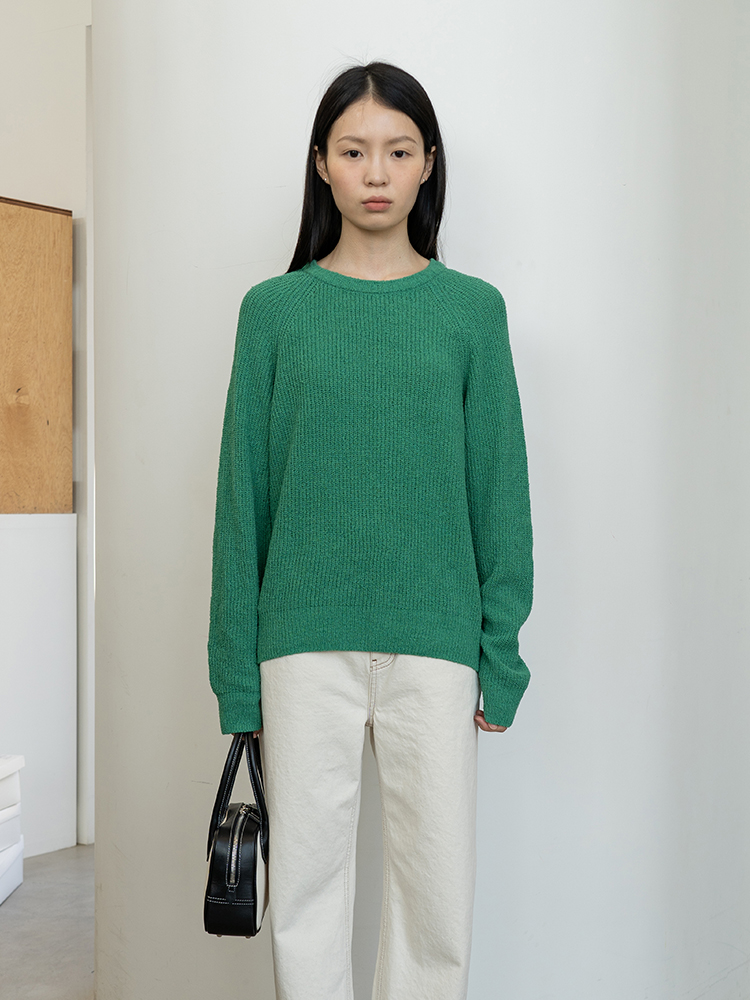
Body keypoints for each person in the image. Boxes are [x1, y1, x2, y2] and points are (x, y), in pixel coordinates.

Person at [207, 60, 533, 1000]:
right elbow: (241, 502)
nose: (377, 173)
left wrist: (500, 653)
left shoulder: (473, 314)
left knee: (436, 905)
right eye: (354, 151)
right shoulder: (273, 313)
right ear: (322, 163)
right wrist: (236, 675)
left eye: (398, 151)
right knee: (305, 898)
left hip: (437, 645)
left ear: (429, 163)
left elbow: (500, 491)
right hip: (300, 647)